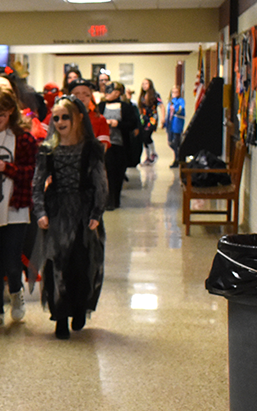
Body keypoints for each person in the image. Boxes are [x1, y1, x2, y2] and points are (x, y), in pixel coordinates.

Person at [33, 96, 108, 339]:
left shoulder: (91, 147)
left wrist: (97, 211)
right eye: (56, 118)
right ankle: (60, 316)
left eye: (65, 117)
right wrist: (40, 211)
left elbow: (101, 182)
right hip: (57, 212)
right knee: (56, 264)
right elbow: (37, 182)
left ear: (77, 118)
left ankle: (78, 309)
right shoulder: (48, 149)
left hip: (84, 213)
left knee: (83, 263)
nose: (60, 121)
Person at [0, 87, 36, 332]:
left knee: (13, 262)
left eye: (0, 115)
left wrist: (7, 168)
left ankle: (16, 293)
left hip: (16, 208)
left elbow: (31, 172)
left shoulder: (23, 139)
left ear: (11, 112)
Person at [97, 82, 140, 210]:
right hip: (105, 144)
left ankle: (115, 199)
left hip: (120, 144)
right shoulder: (101, 106)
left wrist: (118, 124)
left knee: (118, 173)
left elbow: (132, 123)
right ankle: (107, 199)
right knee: (107, 172)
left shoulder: (126, 107)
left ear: (117, 92)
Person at [137, 78, 163, 164]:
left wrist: (163, 118)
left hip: (152, 118)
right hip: (144, 118)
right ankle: (147, 156)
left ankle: (153, 153)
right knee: (143, 137)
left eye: (146, 84)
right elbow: (140, 107)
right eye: (143, 84)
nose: (144, 85)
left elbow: (161, 106)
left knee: (147, 135)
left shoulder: (155, 95)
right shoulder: (142, 96)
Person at [167, 85, 187, 167]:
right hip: (171, 124)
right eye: (173, 92)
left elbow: (179, 109)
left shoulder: (180, 101)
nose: (174, 94)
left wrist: (175, 102)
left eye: (176, 92)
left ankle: (177, 159)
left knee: (176, 143)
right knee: (170, 142)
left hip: (177, 124)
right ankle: (178, 156)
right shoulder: (170, 102)